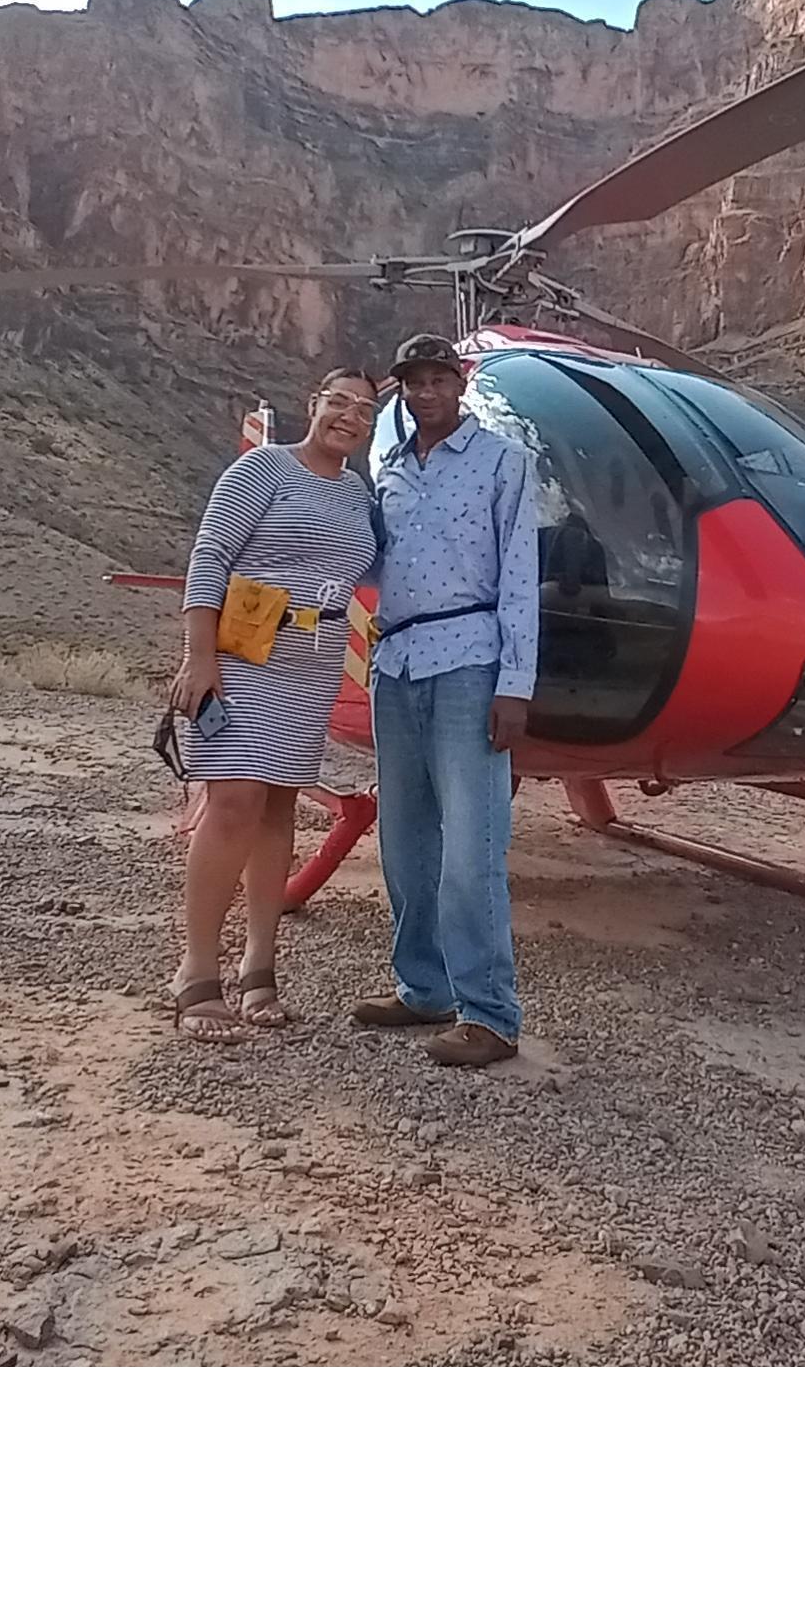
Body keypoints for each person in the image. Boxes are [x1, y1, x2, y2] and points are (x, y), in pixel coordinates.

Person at [164, 368, 381, 1041]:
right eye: (338, 401)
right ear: (313, 405)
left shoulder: (358, 494)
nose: (349, 415)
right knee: (232, 805)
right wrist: (200, 658)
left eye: (365, 410)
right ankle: (197, 972)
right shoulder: (265, 468)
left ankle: (260, 965)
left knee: (279, 805)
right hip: (244, 659)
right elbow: (210, 556)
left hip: (311, 670)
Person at [352, 332, 540, 1068]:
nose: (426, 392)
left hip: (470, 661)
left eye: (439, 379)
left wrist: (515, 684)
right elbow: (362, 559)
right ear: (401, 390)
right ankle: (423, 986)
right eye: (413, 382)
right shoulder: (390, 472)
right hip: (394, 664)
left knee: (472, 845)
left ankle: (490, 1014)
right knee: (405, 841)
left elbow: (521, 576)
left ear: (461, 383)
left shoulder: (503, 462)